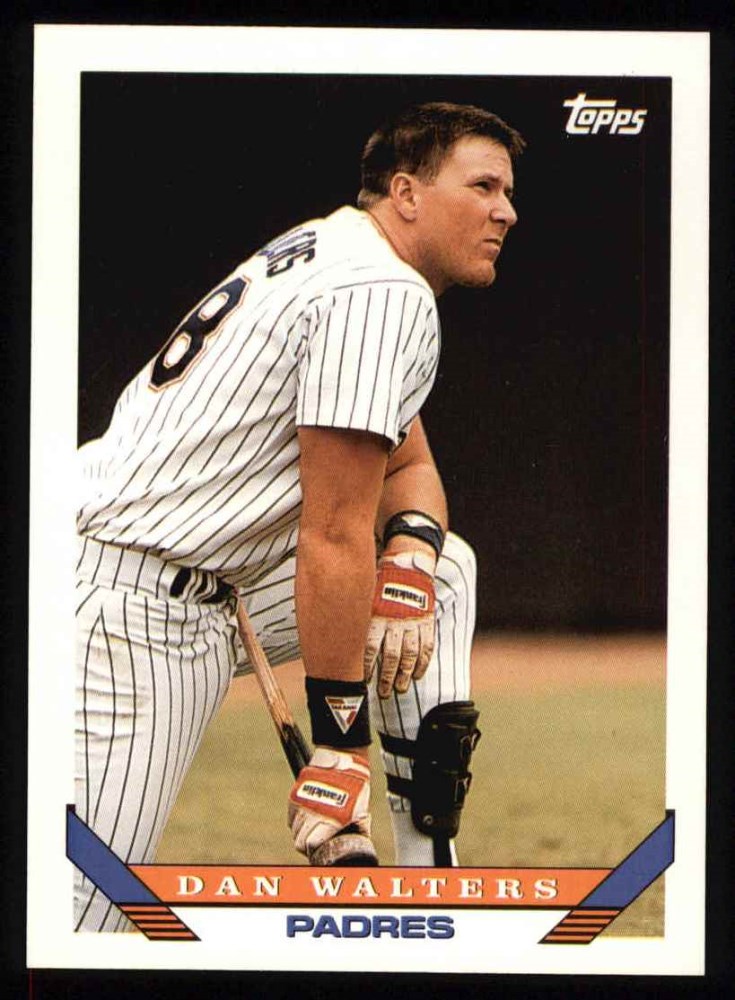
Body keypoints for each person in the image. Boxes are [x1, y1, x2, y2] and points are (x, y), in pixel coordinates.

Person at [74, 101, 524, 930]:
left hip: (203, 585)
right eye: (483, 186)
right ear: (406, 192)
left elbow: (410, 471)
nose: (506, 211)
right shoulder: (378, 291)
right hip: (122, 604)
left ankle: (427, 883)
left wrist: (408, 561)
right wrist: (339, 749)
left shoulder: (337, 248)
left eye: (507, 191)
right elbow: (333, 532)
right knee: (72, 922)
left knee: (442, 573)